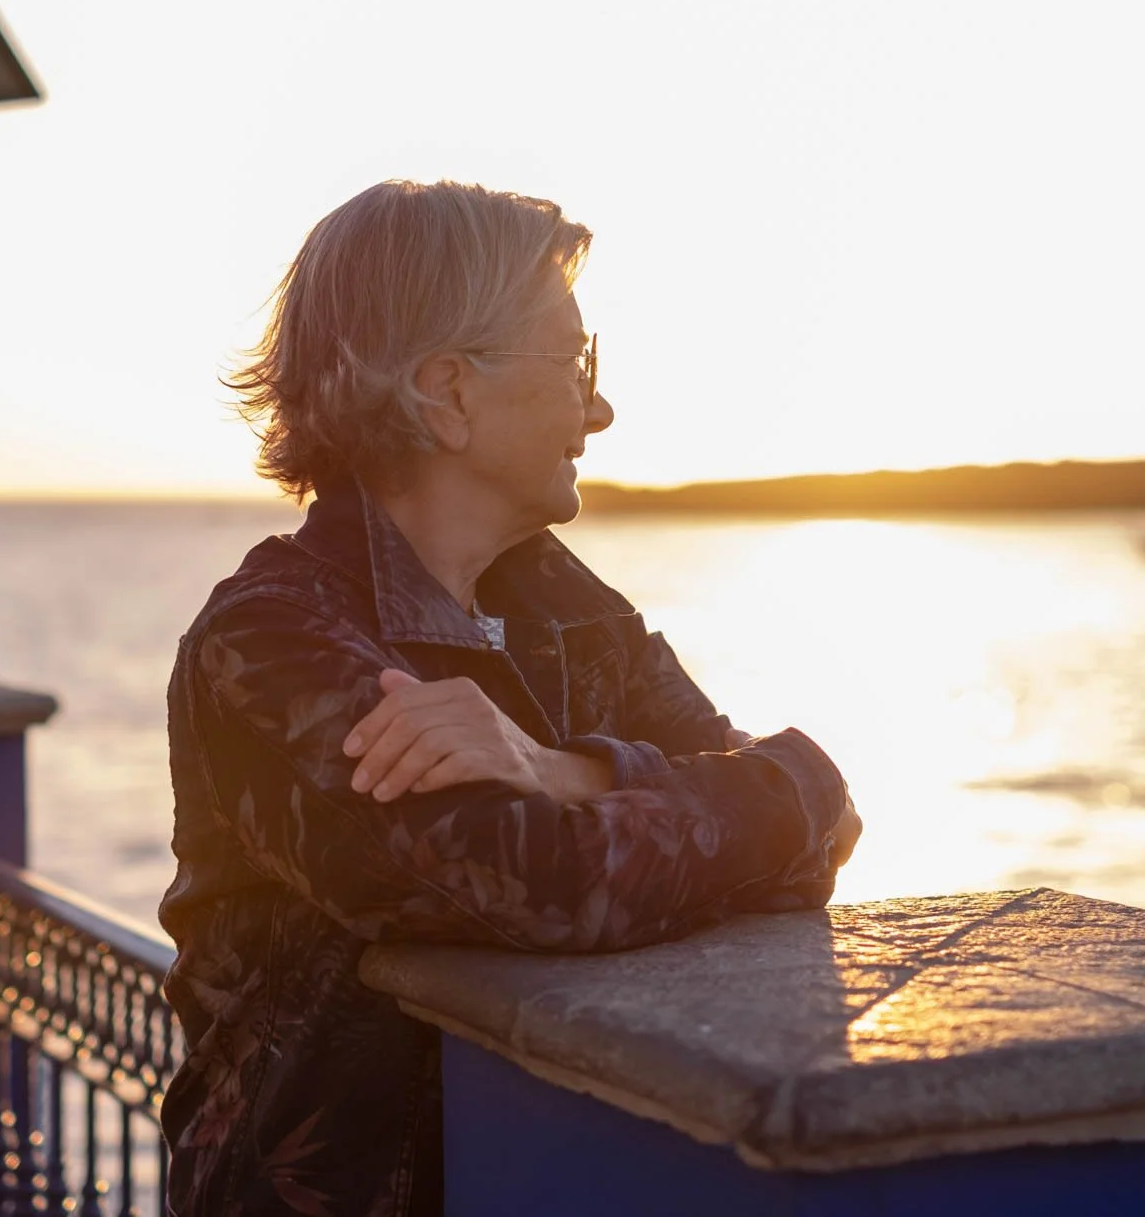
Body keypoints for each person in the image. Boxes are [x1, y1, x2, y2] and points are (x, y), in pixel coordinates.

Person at [159, 179, 860, 1216]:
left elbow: (814, 810)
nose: (601, 406)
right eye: (576, 362)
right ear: (447, 391)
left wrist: (563, 768)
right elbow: (533, 882)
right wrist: (743, 798)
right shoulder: (269, 641)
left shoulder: (562, 601)